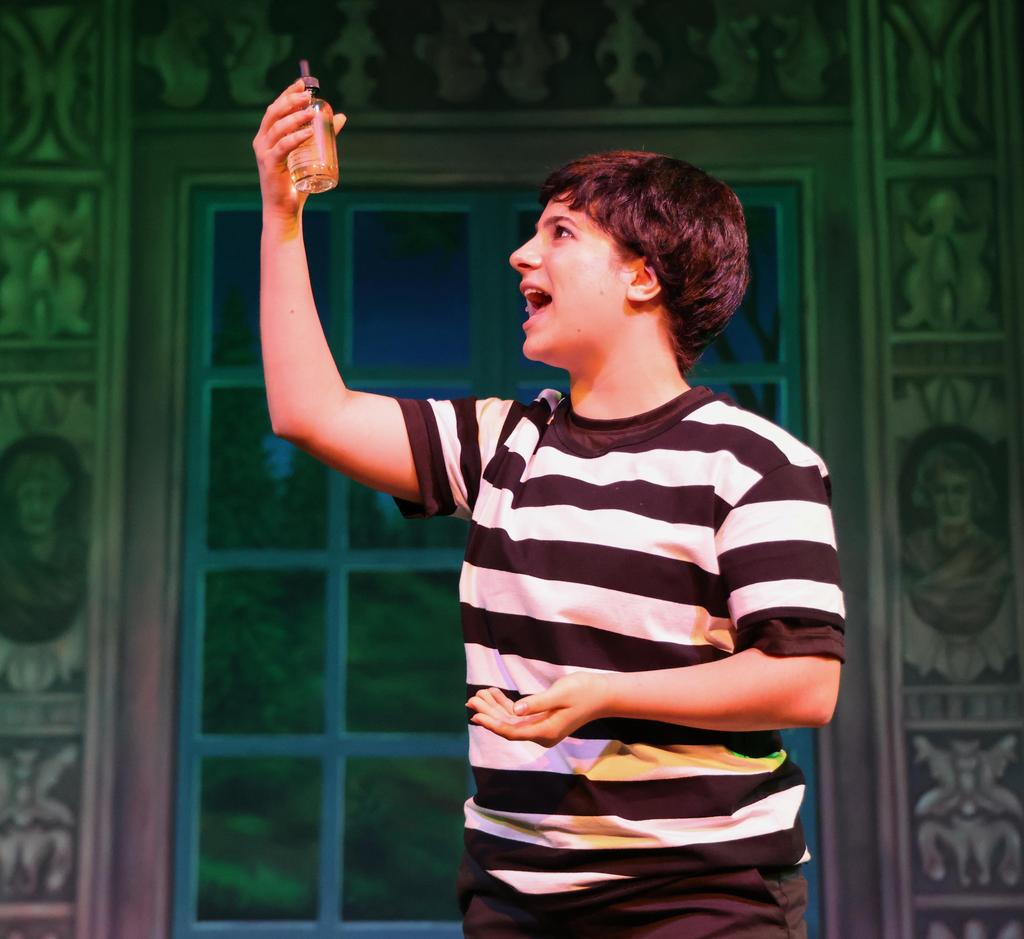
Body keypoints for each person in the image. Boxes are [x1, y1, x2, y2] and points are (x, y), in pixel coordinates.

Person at [254, 79, 845, 938]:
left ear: (643, 276)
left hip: (701, 898)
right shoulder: (504, 443)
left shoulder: (754, 462)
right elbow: (309, 412)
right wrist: (282, 217)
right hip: (516, 898)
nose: (520, 256)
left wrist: (605, 694)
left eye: (560, 233)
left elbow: (806, 679)